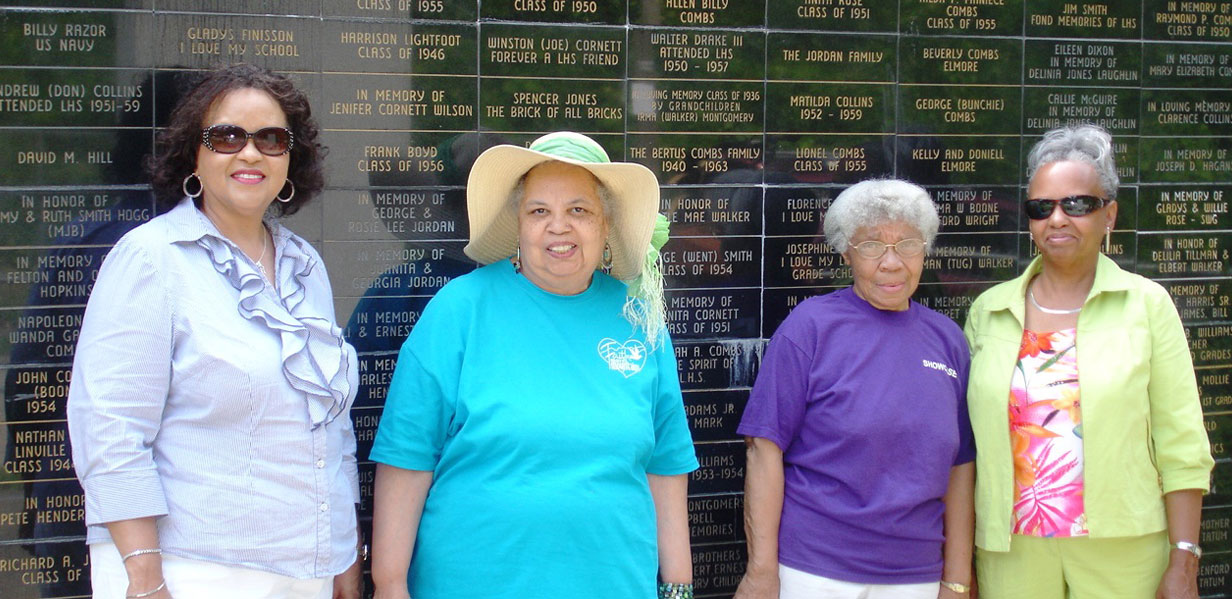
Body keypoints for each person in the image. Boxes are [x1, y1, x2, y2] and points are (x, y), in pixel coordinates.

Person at [66, 64, 361, 599]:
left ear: (291, 158)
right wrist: (144, 576)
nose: (250, 153)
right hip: (191, 571)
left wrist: (343, 554)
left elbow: (331, 427)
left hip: (307, 570)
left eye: (271, 139)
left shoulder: (305, 266)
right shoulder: (152, 259)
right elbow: (109, 428)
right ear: (193, 155)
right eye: (227, 137)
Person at [369, 131, 699, 599]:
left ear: (606, 224)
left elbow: (666, 466)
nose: (558, 226)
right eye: (539, 211)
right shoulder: (460, 309)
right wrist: (389, 585)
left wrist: (679, 589)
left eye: (579, 210)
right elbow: (407, 455)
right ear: (518, 224)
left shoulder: (639, 318)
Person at [964, 124, 1213, 599]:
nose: (1057, 219)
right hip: (1012, 553)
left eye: (1077, 204)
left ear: (1109, 214)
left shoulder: (1147, 305)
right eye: (1042, 208)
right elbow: (965, 446)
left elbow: (1181, 442)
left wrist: (1184, 560)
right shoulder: (989, 311)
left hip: (1123, 552)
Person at [734, 179, 976, 599]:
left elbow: (961, 468)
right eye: (871, 246)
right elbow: (763, 448)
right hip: (814, 571)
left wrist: (956, 580)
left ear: (925, 250)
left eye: (907, 244)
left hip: (915, 575)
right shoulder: (809, 328)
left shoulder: (948, 341)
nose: (891, 262)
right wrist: (761, 572)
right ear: (846, 252)